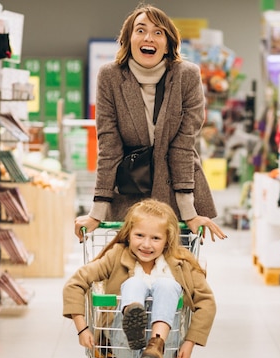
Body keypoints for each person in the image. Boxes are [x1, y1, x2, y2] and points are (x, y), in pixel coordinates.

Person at [74, 3, 226, 243]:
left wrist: (189, 211)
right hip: (129, 194)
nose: (149, 38)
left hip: (178, 191)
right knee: (129, 275)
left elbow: (184, 146)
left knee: (175, 278)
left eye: (158, 32)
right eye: (141, 30)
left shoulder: (187, 76)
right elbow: (109, 147)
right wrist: (98, 211)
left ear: (168, 43)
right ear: (128, 38)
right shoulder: (110, 77)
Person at [63, 199, 216, 358]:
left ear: (167, 240)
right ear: (128, 233)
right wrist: (82, 328)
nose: (146, 244)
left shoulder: (182, 263)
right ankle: (133, 320)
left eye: (155, 238)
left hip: (166, 349)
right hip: (124, 342)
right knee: (134, 283)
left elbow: (206, 302)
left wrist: (190, 341)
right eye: (140, 236)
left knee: (167, 285)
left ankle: (156, 344)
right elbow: (75, 284)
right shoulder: (116, 256)